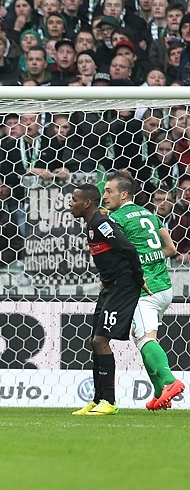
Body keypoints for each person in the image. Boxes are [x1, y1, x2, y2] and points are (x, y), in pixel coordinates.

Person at [102, 170, 184, 410]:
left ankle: (169, 381)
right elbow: (170, 249)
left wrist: (131, 269)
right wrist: (148, 258)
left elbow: (116, 255)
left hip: (143, 289)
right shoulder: (149, 214)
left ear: (123, 193)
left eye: (109, 191)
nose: (104, 196)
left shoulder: (117, 220)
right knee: (147, 339)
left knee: (145, 339)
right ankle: (160, 393)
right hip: (164, 288)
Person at [68, 183, 145, 416]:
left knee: (100, 341)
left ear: (87, 203)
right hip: (110, 287)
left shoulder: (101, 223)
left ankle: (109, 402)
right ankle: (98, 399)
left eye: (74, 199)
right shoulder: (92, 225)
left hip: (123, 286)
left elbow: (129, 249)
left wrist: (138, 279)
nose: (70, 204)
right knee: (95, 341)